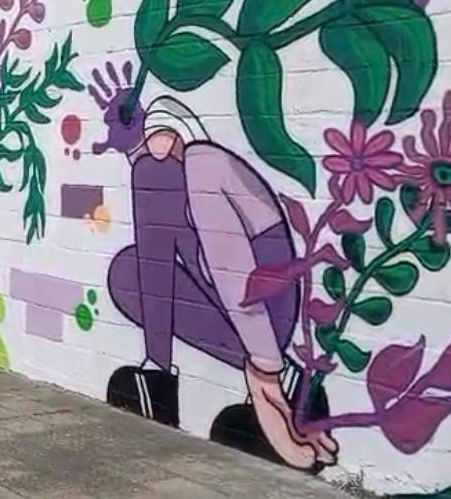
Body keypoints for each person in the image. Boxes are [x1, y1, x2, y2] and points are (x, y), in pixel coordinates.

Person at [91, 64, 338, 469]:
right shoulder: (165, 177)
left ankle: (276, 380)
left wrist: (265, 371)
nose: (150, 148)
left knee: (151, 201)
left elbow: (234, 269)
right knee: (127, 273)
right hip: (233, 305)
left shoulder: (202, 164)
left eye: (155, 134)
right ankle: (158, 372)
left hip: (264, 304)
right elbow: (156, 267)